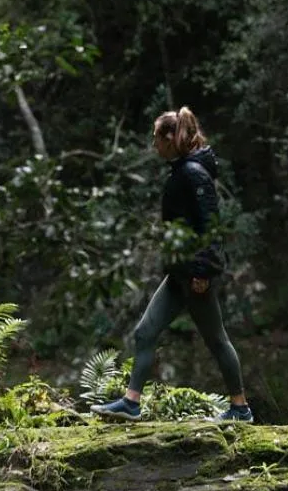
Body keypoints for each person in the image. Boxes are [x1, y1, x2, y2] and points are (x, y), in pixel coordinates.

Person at [94, 107, 254, 423]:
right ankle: (131, 403)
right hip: (179, 273)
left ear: (170, 138)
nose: (154, 146)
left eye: (156, 139)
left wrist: (203, 272)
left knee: (217, 340)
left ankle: (240, 409)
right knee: (145, 332)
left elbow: (211, 225)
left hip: (196, 275)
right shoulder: (182, 169)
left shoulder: (193, 173)